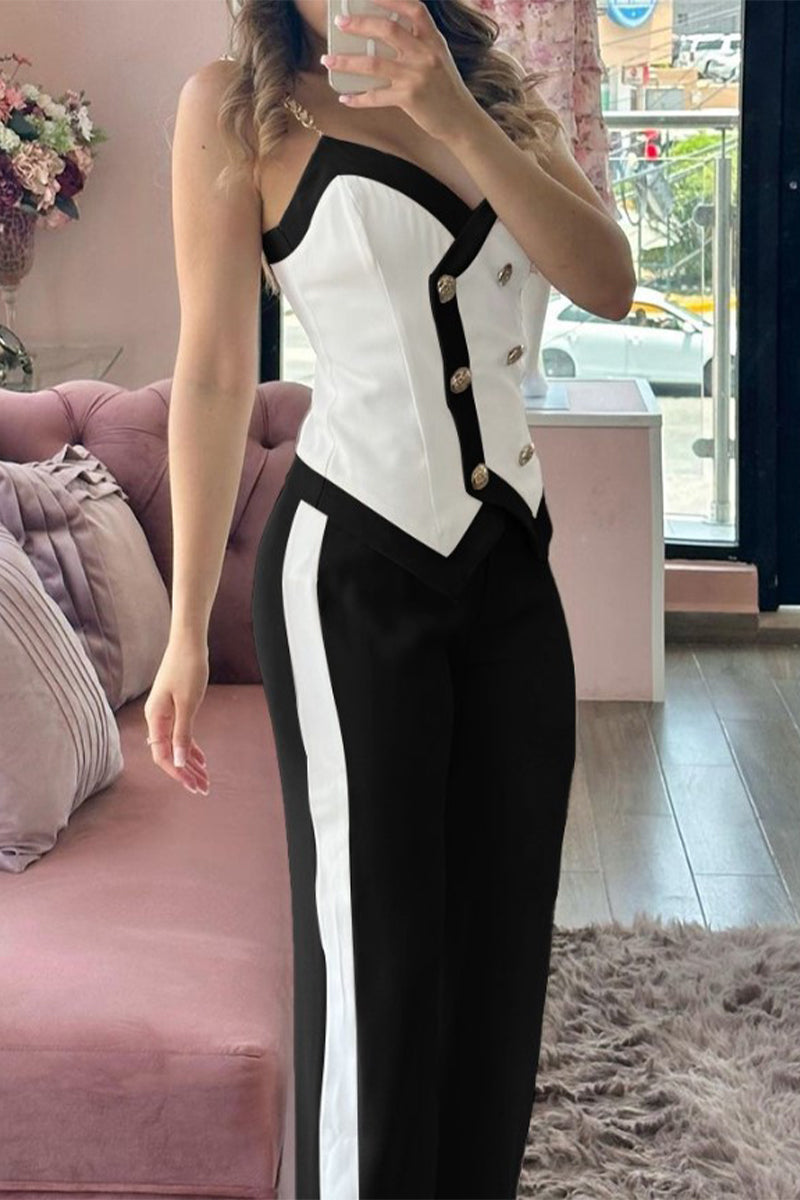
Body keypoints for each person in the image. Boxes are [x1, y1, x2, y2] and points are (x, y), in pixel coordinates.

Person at [145, 1, 636, 1196]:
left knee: (498, 947)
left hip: (510, 578)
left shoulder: (497, 93)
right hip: (350, 579)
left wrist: (454, 114)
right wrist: (185, 627)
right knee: (375, 956)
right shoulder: (237, 108)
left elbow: (608, 283)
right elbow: (212, 373)